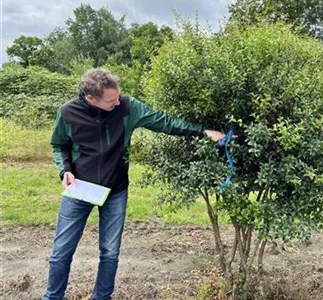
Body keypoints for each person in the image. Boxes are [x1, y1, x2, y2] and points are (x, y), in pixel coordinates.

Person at [43, 68, 224, 300]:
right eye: (111, 100)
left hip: (115, 190)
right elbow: (59, 144)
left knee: (110, 253)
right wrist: (64, 169)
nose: (117, 102)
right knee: (61, 252)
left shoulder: (128, 107)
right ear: (91, 98)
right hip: (80, 189)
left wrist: (203, 132)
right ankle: (52, 297)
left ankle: (102, 297)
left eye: (118, 96)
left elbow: (164, 122)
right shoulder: (68, 113)